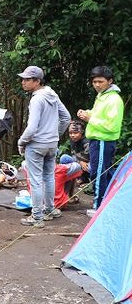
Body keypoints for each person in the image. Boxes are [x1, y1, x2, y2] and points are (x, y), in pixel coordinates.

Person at [16, 66, 71, 227]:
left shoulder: (37, 99)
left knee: (36, 181)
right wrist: (56, 135)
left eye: (27, 79)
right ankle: (50, 209)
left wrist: (21, 141)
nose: (23, 82)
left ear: (37, 81)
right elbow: (66, 118)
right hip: (52, 144)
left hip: (37, 145)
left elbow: (32, 128)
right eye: (23, 79)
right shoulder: (52, 94)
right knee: (48, 177)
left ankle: (37, 216)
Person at [77, 66, 124, 214]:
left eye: (101, 81)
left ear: (110, 81)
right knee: (106, 172)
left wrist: (90, 118)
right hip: (97, 140)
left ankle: (98, 207)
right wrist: (87, 113)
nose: (97, 84)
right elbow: (99, 115)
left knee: (98, 173)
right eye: (94, 81)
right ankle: (110, 203)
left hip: (103, 141)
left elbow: (111, 125)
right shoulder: (102, 96)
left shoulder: (114, 99)